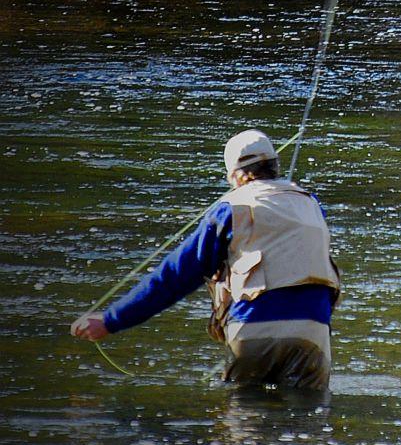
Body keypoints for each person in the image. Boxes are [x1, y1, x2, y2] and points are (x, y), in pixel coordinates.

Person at [71, 129, 341, 391]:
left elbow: (176, 276)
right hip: (314, 332)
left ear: (234, 175)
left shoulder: (230, 208)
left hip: (254, 329)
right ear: (275, 165)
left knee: (245, 416)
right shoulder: (313, 205)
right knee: (308, 417)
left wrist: (112, 320)